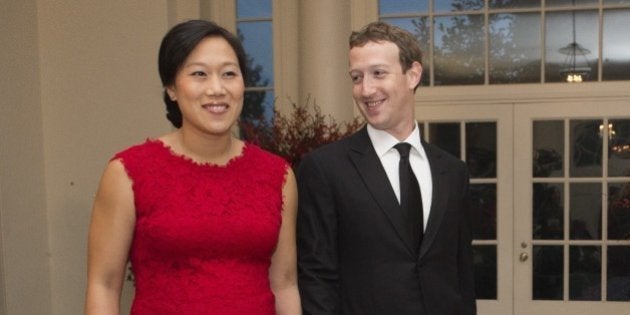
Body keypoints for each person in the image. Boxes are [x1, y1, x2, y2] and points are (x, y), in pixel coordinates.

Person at [85, 20, 301, 314]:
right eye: (199, 74)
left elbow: (284, 284)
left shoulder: (278, 175)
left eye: (229, 74)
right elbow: (104, 285)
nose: (217, 88)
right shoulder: (128, 172)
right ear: (172, 88)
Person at [296, 21, 476, 314]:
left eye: (378, 73)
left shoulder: (453, 172)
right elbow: (316, 277)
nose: (366, 89)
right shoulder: (324, 169)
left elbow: (462, 274)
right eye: (356, 77)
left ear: (413, 75)